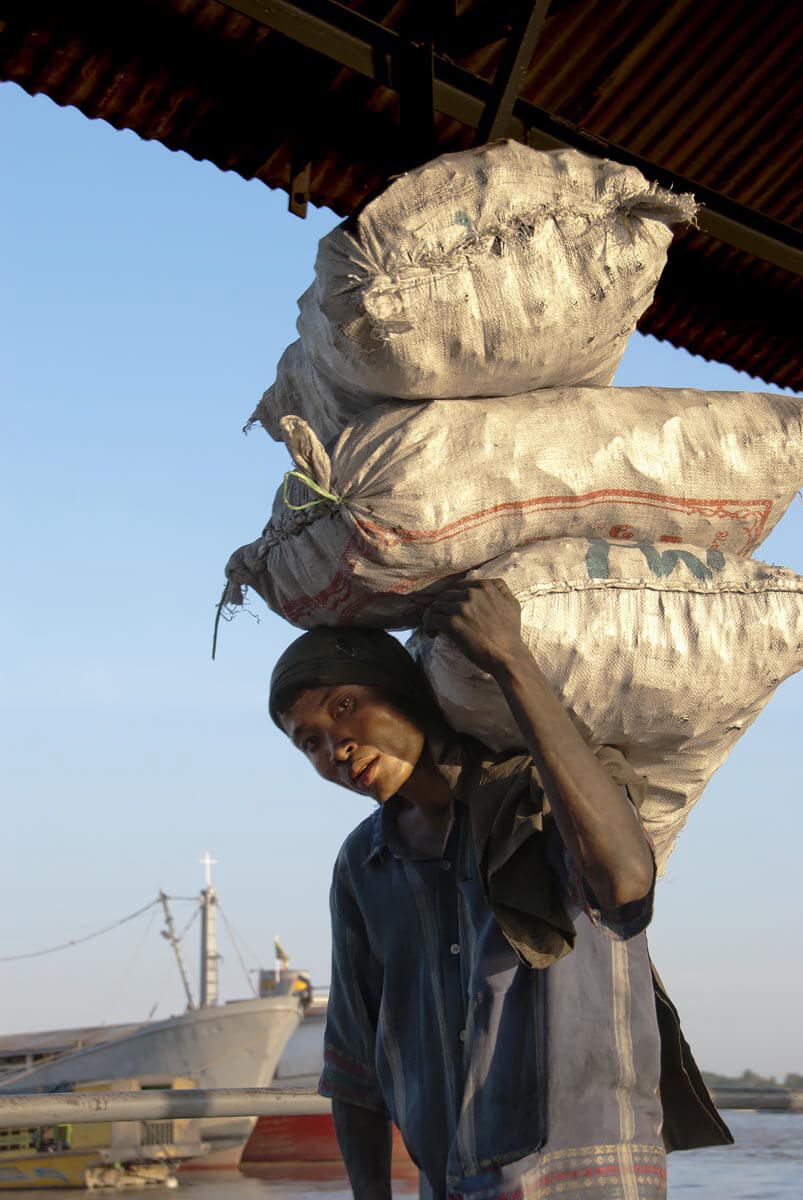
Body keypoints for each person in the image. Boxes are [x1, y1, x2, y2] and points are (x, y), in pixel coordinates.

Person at [269, 580, 731, 1200]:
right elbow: (354, 1065)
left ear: (403, 692)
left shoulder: (543, 796)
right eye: (309, 742)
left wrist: (510, 658)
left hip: (587, 1182)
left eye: (344, 706)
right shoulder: (362, 866)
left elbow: (624, 883)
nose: (335, 746)